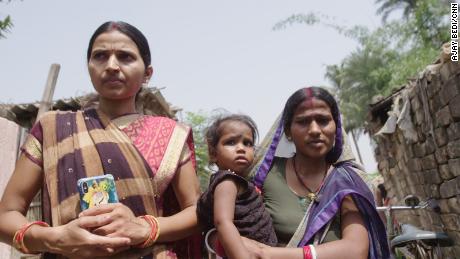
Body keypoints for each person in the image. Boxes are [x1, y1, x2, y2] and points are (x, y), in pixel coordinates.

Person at [0, 21, 201, 258]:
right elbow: (7, 214)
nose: (112, 65)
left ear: (148, 73)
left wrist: (146, 227)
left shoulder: (170, 134)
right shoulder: (52, 127)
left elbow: (196, 211)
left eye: (125, 57)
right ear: (89, 66)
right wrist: (56, 239)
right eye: (100, 56)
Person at [246, 87, 389, 259]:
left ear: (335, 127)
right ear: (288, 131)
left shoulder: (348, 182)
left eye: (323, 120)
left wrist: (268, 254)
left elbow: (355, 250)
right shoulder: (265, 175)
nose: (314, 130)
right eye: (303, 121)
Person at [197, 114, 277, 259]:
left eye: (247, 143)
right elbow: (223, 222)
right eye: (231, 142)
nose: (241, 148)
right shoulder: (227, 181)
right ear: (213, 153)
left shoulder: (239, 181)